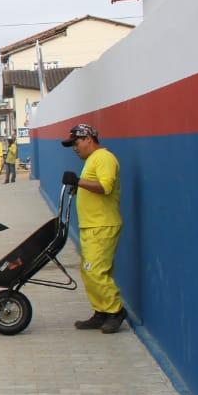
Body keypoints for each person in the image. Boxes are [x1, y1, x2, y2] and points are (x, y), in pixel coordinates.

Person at [60, 124, 126, 333]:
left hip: (103, 224)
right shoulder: (92, 160)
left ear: (89, 138)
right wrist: (78, 188)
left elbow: (105, 187)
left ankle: (116, 311)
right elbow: (92, 187)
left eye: (76, 143)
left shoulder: (104, 158)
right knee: (88, 272)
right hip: (91, 225)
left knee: (95, 271)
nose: (75, 148)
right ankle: (101, 312)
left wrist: (78, 181)